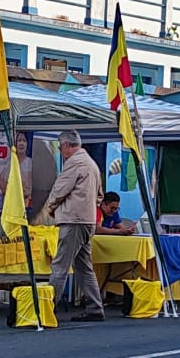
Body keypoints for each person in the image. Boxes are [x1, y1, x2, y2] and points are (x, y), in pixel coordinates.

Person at [45, 130, 106, 322]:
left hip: (73, 220)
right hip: (87, 220)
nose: (60, 151)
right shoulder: (91, 164)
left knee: (60, 265)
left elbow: (59, 190)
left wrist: (51, 208)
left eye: (60, 147)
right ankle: (95, 307)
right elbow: (100, 196)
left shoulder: (74, 163)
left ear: (66, 145)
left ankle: (47, 308)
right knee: (84, 266)